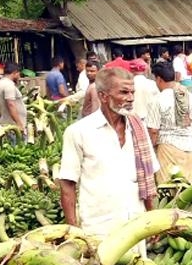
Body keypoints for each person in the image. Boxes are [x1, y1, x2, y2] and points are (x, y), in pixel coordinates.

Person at [58, 68, 159, 249]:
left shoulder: (138, 128)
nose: (130, 98)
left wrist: (153, 218)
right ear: (103, 96)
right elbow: (67, 184)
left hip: (135, 224)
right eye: (123, 92)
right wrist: (73, 230)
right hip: (99, 227)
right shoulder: (79, 132)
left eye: (132, 92)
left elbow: (148, 176)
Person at [147, 62, 192, 183]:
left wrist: (153, 148)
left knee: (166, 186)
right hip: (189, 147)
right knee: (186, 187)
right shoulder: (191, 97)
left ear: (159, 79)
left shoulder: (157, 100)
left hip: (167, 148)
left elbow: (153, 131)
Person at [0, 62, 27, 136]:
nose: (19, 76)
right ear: (15, 73)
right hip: (14, 127)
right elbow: (11, 104)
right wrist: (19, 124)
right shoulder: (9, 85)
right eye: (18, 74)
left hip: (6, 123)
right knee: (18, 146)